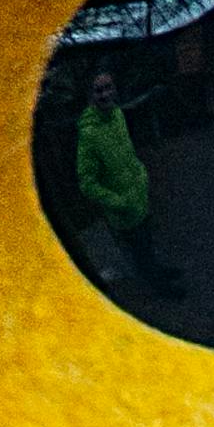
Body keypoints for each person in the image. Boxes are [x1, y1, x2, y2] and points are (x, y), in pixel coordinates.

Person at [67, 68, 182, 303]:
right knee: (140, 252)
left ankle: (158, 270)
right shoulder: (89, 134)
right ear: (90, 95)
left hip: (139, 196)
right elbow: (87, 183)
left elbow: (128, 153)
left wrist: (140, 174)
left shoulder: (118, 115)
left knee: (148, 242)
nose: (105, 94)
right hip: (123, 209)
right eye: (98, 90)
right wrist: (118, 201)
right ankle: (161, 288)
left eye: (109, 88)